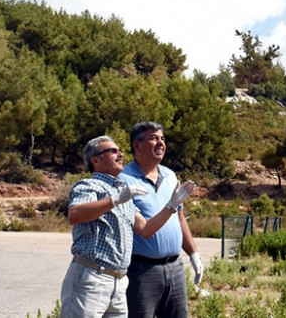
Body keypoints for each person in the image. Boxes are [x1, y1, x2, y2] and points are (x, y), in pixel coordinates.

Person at [60, 135, 194, 318]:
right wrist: (114, 200)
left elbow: (146, 229)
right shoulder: (89, 185)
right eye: (112, 151)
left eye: (120, 150)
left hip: (119, 281)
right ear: (95, 160)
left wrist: (171, 206)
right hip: (91, 278)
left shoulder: (122, 192)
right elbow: (74, 215)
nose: (120, 154)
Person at [118, 121, 203, 318]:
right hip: (142, 270)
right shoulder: (124, 180)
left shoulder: (170, 176)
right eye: (153, 138)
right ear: (136, 145)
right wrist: (171, 205)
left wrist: (193, 254)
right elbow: (145, 230)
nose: (161, 143)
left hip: (175, 267)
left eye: (163, 139)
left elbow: (180, 219)